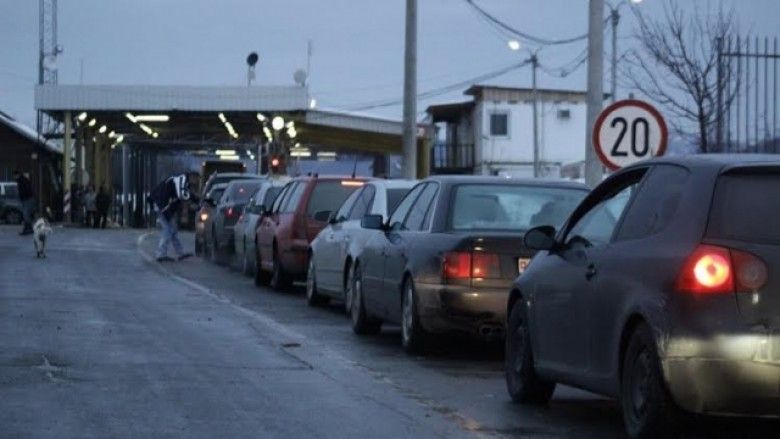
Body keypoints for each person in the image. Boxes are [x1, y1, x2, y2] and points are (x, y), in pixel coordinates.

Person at [149, 172, 199, 262]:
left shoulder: (182, 183)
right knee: (168, 229)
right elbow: (182, 195)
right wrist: (195, 202)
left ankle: (180, 253)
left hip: (162, 204)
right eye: (196, 179)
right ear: (192, 177)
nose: (196, 182)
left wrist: (196, 201)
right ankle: (161, 254)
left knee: (173, 230)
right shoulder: (181, 180)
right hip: (161, 204)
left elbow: (185, 195)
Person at [13, 169, 34, 235]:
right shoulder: (23, 180)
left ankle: (28, 229)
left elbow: (25, 190)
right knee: (25, 214)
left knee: (25, 214)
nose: (14, 177)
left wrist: (22, 195)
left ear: (17, 175)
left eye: (14, 176)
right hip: (27, 199)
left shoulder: (22, 180)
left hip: (27, 199)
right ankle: (28, 229)